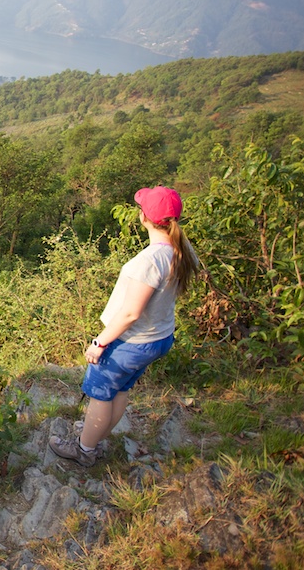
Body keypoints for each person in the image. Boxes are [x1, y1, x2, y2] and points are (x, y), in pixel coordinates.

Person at [50, 186, 201, 467]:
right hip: (158, 337)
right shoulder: (182, 250)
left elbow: (130, 313)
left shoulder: (148, 262)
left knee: (100, 395)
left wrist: (100, 343)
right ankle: (95, 438)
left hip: (130, 342)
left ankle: (84, 449)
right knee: (119, 391)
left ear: (144, 218)